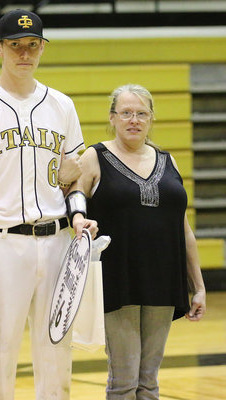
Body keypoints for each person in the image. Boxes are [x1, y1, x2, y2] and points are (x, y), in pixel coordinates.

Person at [0, 9, 97, 400]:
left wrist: (79, 213)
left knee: (56, 351)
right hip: (2, 244)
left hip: (56, 241)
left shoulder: (62, 105)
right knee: (0, 353)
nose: (25, 53)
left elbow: (75, 178)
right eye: (16, 45)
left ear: (42, 48)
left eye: (33, 45)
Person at [70, 83, 206, 399]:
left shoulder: (167, 160)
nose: (134, 120)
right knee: (124, 380)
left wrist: (197, 285)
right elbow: (74, 195)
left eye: (141, 113)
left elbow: (183, 229)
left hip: (163, 280)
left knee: (149, 383)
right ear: (113, 118)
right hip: (119, 281)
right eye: (126, 113)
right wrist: (78, 218)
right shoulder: (95, 156)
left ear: (151, 118)